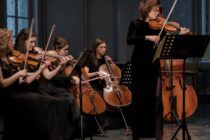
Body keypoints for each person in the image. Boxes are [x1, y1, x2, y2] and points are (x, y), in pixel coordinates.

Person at [126, 2, 165, 140]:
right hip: (139, 65)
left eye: (158, 11)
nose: (157, 13)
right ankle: (137, 133)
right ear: (146, 10)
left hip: (153, 64)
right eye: (154, 10)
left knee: (152, 99)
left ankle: (151, 132)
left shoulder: (160, 25)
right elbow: (129, 40)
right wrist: (147, 37)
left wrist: (180, 33)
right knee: (138, 99)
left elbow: (165, 41)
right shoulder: (136, 24)